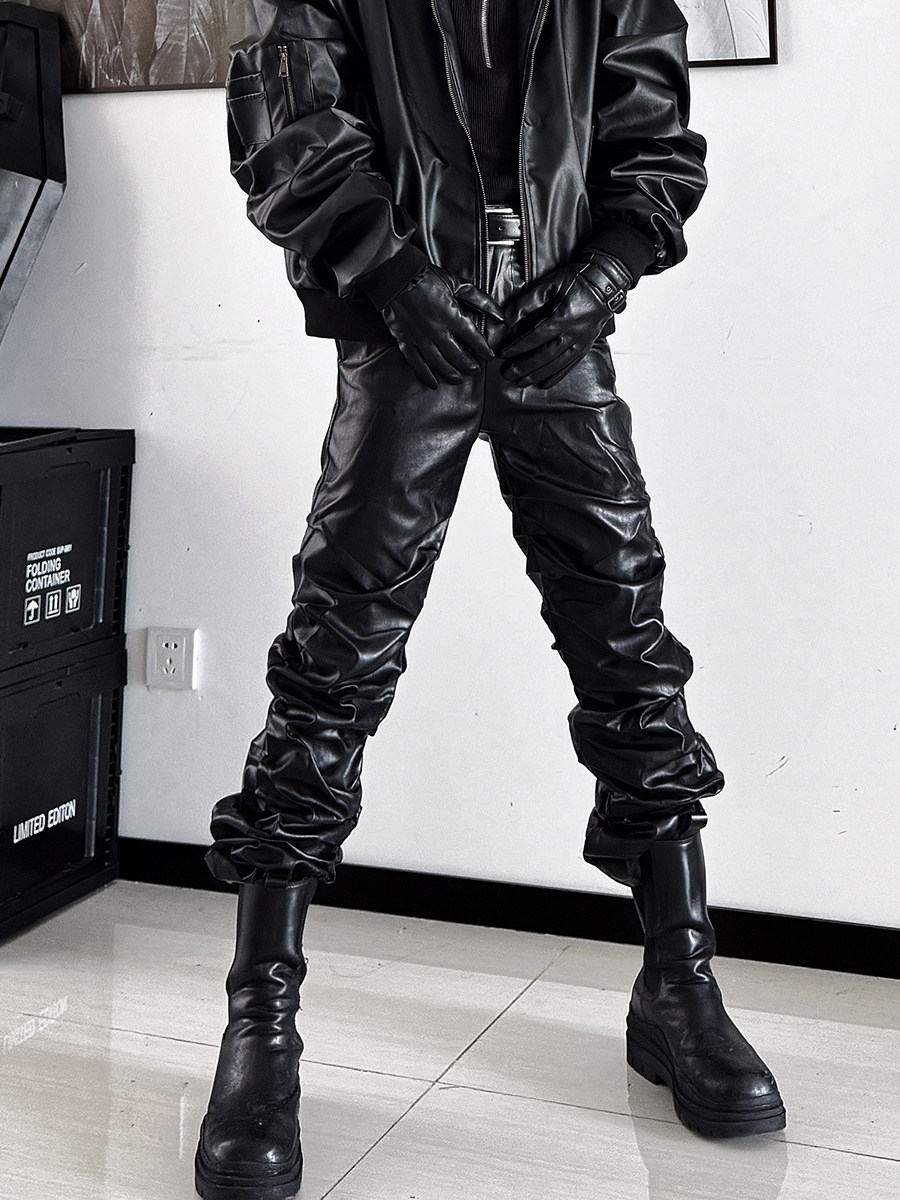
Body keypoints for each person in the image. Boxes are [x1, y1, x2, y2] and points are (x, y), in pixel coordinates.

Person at [195, 2, 786, 1196]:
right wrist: (390, 271)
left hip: (559, 330)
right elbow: (286, 115)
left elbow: (652, 136)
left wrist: (603, 275)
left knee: (627, 640)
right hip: (408, 334)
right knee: (334, 657)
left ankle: (679, 982)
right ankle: (260, 1022)